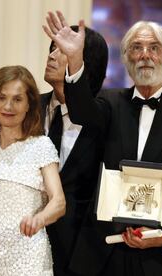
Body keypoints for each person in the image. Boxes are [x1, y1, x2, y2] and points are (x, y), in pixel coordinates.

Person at [43, 11, 162, 276]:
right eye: (136, 48)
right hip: (106, 252)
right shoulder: (110, 102)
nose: (145, 54)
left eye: (153, 48)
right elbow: (81, 112)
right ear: (126, 58)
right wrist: (75, 61)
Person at [0, 65, 66, 275]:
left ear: (29, 105)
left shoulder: (41, 145)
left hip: (29, 253)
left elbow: (59, 202)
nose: (8, 106)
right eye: (1, 97)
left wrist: (39, 219)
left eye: (17, 99)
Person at [41, 25, 108, 276]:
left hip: (83, 256)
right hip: (28, 243)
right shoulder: (28, 109)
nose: (51, 56)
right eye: (51, 48)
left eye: (62, 50)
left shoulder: (105, 116)